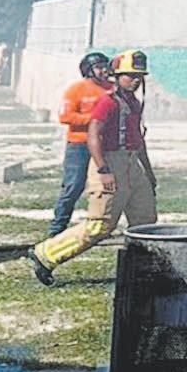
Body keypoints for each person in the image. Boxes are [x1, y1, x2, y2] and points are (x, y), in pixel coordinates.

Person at [25, 50, 157, 286]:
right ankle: (46, 254)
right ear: (118, 76)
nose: (135, 80)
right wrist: (104, 170)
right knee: (100, 224)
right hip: (109, 162)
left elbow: (138, 140)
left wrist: (148, 171)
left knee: (145, 220)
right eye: (130, 75)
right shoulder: (107, 102)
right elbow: (93, 135)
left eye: (139, 76)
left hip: (131, 163)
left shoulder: (133, 103)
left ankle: (143, 269)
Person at [49, 52, 113, 236]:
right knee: (74, 185)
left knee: (105, 187)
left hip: (103, 146)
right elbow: (65, 116)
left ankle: (102, 225)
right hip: (79, 145)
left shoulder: (111, 88)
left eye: (105, 67)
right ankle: (57, 228)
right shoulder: (76, 89)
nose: (103, 71)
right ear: (88, 70)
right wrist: (94, 120)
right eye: (98, 67)